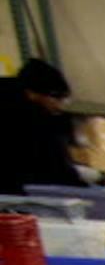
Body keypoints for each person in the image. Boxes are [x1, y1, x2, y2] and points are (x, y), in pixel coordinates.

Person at [0, 58, 83, 195]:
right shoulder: (34, 118)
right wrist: (80, 184)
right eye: (55, 97)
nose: (59, 104)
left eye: (64, 98)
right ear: (31, 93)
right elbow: (54, 165)